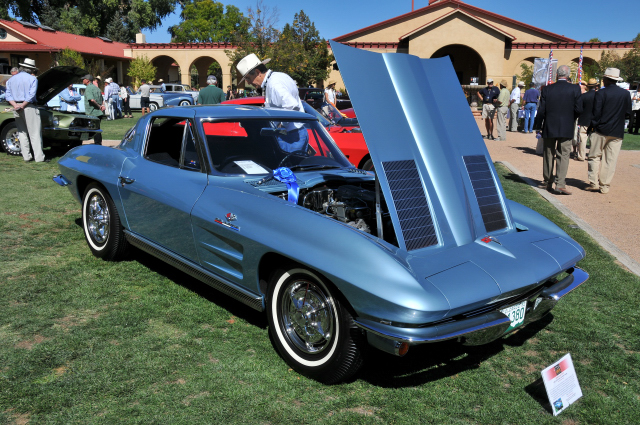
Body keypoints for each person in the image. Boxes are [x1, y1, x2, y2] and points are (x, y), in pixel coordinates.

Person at [236, 53, 308, 153]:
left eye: (248, 78)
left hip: (290, 137)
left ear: (257, 72)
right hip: (295, 134)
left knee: (287, 167)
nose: (248, 82)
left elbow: (291, 105)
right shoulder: (279, 77)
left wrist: (281, 127)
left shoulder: (274, 84)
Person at [533, 65, 583, 195]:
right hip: (566, 126)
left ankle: (547, 182)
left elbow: (541, 110)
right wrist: (571, 119)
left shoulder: (547, 89)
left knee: (548, 154)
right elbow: (579, 109)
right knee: (564, 155)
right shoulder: (575, 88)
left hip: (549, 126)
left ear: (556, 75)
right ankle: (560, 184)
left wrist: (538, 126)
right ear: (568, 76)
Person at [587, 68, 632, 194]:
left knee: (594, 156)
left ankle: (594, 182)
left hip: (601, 129)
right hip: (617, 130)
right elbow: (628, 112)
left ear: (606, 79)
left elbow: (596, 113)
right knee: (610, 160)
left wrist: (593, 127)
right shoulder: (625, 94)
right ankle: (605, 185)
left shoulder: (601, 93)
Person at [5, 58, 46, 163]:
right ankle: (39, 157)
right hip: (29, 106)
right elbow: (31, 95)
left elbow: (8, 95)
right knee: (35, 132)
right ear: (30, 69)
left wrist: (16, 105)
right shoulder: (33, 79)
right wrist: (23, 105)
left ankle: (26, 156)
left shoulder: (11, 80)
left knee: (22, 132)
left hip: (16, 106)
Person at [575, 79, 598, 161]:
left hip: (584, 118)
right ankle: (593, 155)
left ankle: (581, 155)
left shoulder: (584, 96)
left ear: (588, 87)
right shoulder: (598, 95)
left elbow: (580, 108)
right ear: (596, 87)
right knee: (594, 138)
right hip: (596, 119)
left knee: (583, 138)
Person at [82, 74, 105, 145]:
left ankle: (97, 143)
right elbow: (102, 99)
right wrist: (102, 105)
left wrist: (99, 106)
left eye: (83, 79)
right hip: (99, 113)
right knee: (97, 129)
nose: (82, 80)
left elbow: (91, 99)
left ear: (87, 80)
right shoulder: (97, 88)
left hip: (92, 112)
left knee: (93, 129)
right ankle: (98, 143)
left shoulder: (89, 88)